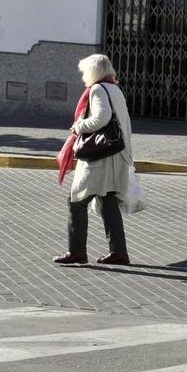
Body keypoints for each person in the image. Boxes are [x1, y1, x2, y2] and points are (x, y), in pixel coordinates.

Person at [54, 53, 133, 265]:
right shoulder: (114, 88)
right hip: (116, 154)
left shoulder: (98, 89)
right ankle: (119, 253)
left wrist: (79, 127)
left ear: (94, 72)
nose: (83, 76)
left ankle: (77, 252)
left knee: (76, 200)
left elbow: (102, 118)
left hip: (100, 157)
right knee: (108, 201)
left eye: (85, 72)